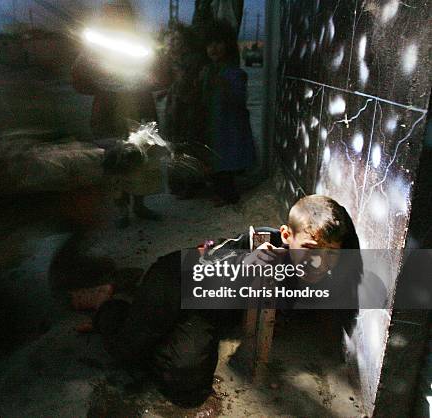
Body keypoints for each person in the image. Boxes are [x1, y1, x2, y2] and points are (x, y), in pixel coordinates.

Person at [70, 195, 359, 405]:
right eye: (310, 248)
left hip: (205, 312)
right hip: (176, 282)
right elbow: (205, 259)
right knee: (124, 352)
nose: (319, 262)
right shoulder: (260, 244)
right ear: (286, 234)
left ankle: (140, 313)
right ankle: (107, 305)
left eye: (331, 253)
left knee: (189, 388)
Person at [71, 0, 161, 226]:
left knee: (142, 161)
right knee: (114, 164)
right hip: (108, 116)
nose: (118, 20)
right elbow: (80, 81)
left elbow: (161, 75)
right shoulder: (96, 46)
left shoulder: (142, 43)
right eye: (113, 16)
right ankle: (122, 210)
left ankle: (140, 205)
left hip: (139, 114)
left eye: (123, 15)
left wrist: (153, 64)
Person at [200, 23, 255, 205]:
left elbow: (239, 99)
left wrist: (224, 86)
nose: (213, 49)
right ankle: (220, 190)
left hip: (229, 123)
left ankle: (227, 194)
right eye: (210, 44)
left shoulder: (233, 72)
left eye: (218, 43)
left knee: (226, 160)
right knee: (216, 158)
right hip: (214, 122)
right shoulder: (208, 70)